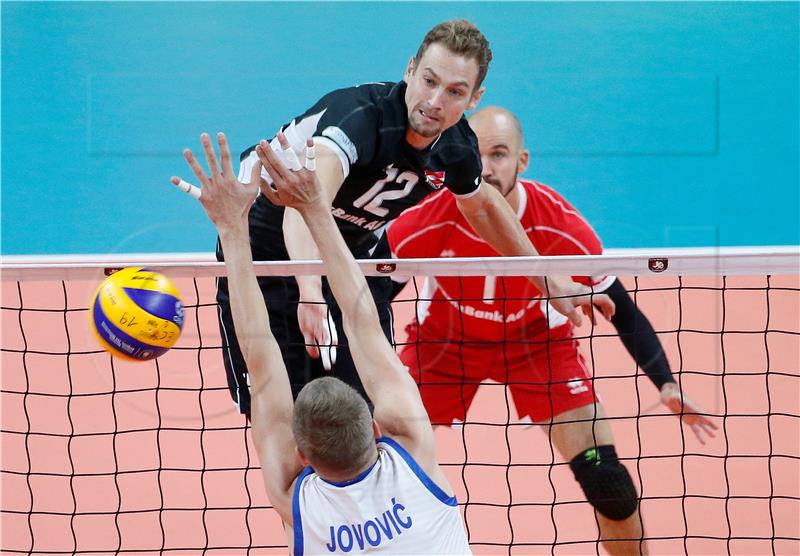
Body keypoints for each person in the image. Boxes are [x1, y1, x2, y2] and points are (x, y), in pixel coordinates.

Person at [208, 19, 613, 417]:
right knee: (280, 415)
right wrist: (310, 291)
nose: (436, 101)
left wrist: (548, 281)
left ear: (474, 98)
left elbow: (483, 205)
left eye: (455, 91)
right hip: (265, 254)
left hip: (347, 262)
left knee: (372, 411)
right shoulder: (361, 120)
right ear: (409, 71)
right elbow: (306, 206)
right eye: (429, 81)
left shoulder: (456, 146)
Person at [385, 106, 718, 555]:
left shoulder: (558, 225)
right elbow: (370, 294)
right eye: (475, 154)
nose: (486, 167)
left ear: (522, 160)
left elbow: (623, 311)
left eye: (499, 154)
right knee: (368, 457)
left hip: (536, 345)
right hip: (444, 345)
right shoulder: (428, 216)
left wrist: (666, 382)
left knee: (608, 480)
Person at [173, 131, 472, 554]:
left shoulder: (298, 506)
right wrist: (314, 208)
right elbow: (363, 320)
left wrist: (233, 230)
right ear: (373, 428)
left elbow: (261, 367)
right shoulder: (414, 459)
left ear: (303, 457)